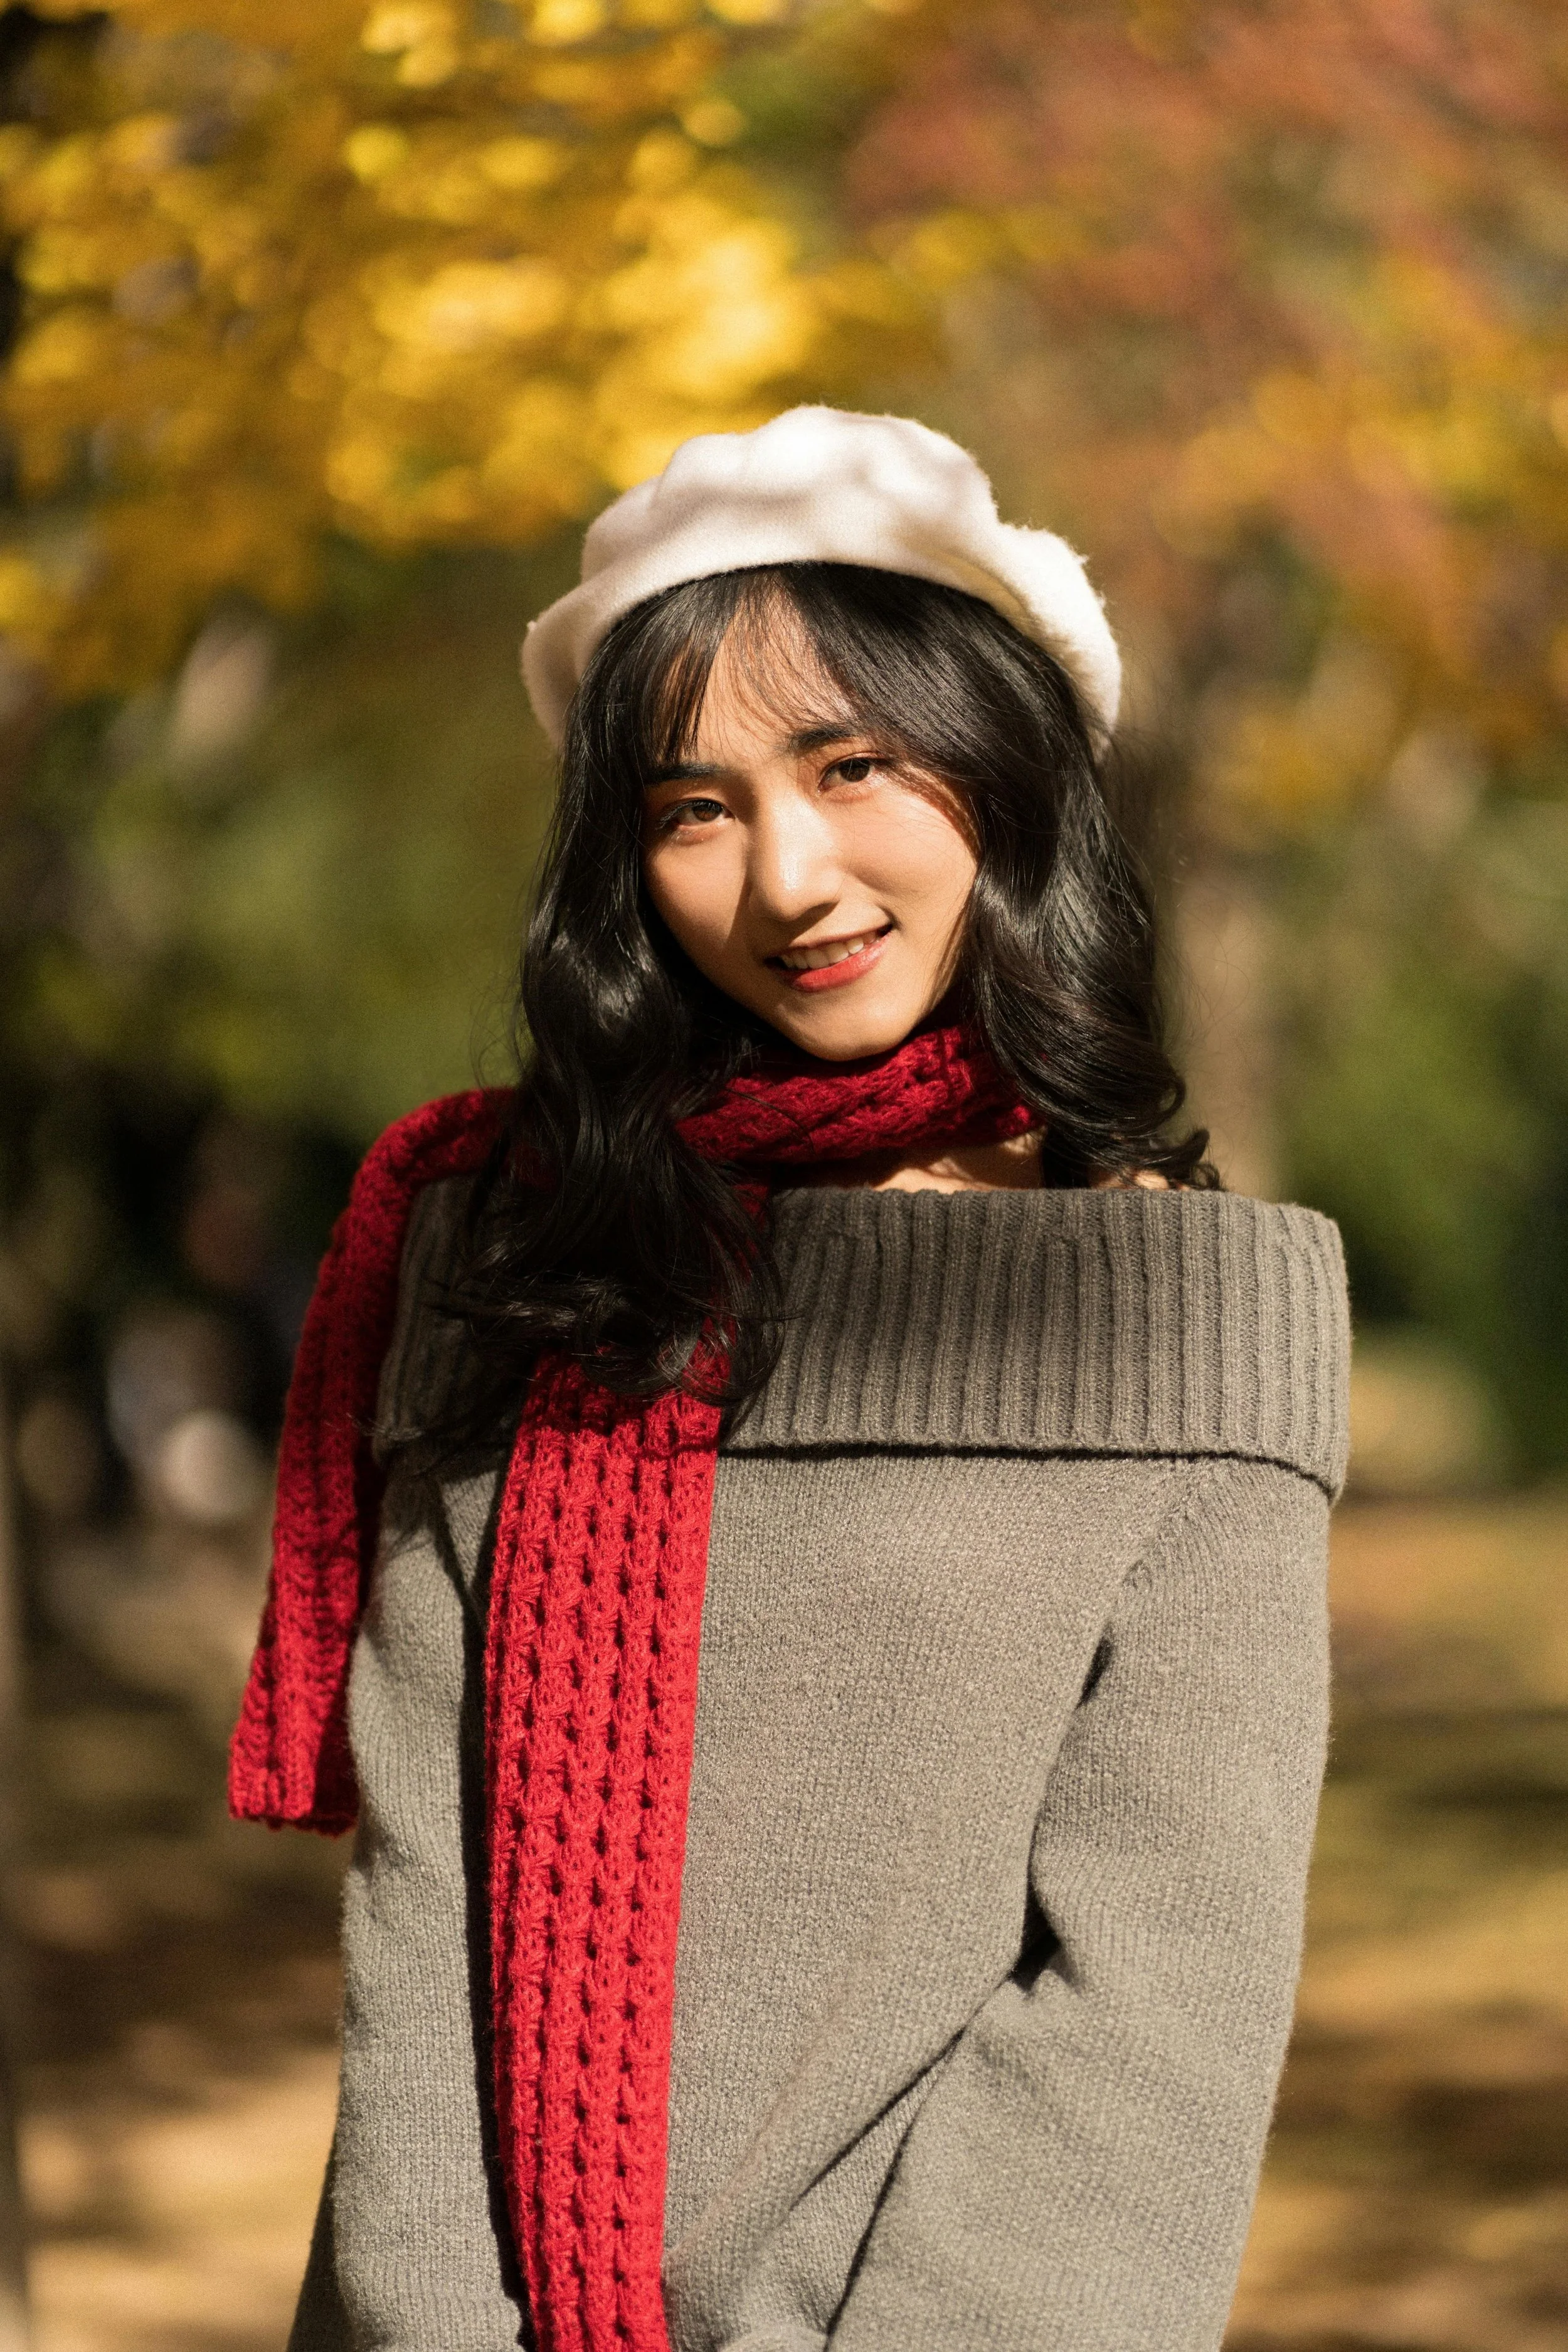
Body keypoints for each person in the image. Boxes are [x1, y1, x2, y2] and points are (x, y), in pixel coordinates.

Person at [233, 406, 1350, 2352]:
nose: (788, 875)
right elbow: (422, 1924)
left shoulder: (1184, 1311)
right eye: (690, 807)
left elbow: (1148, 2002)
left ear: (1001, 763)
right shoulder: (519, 1255)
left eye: (852, 766)